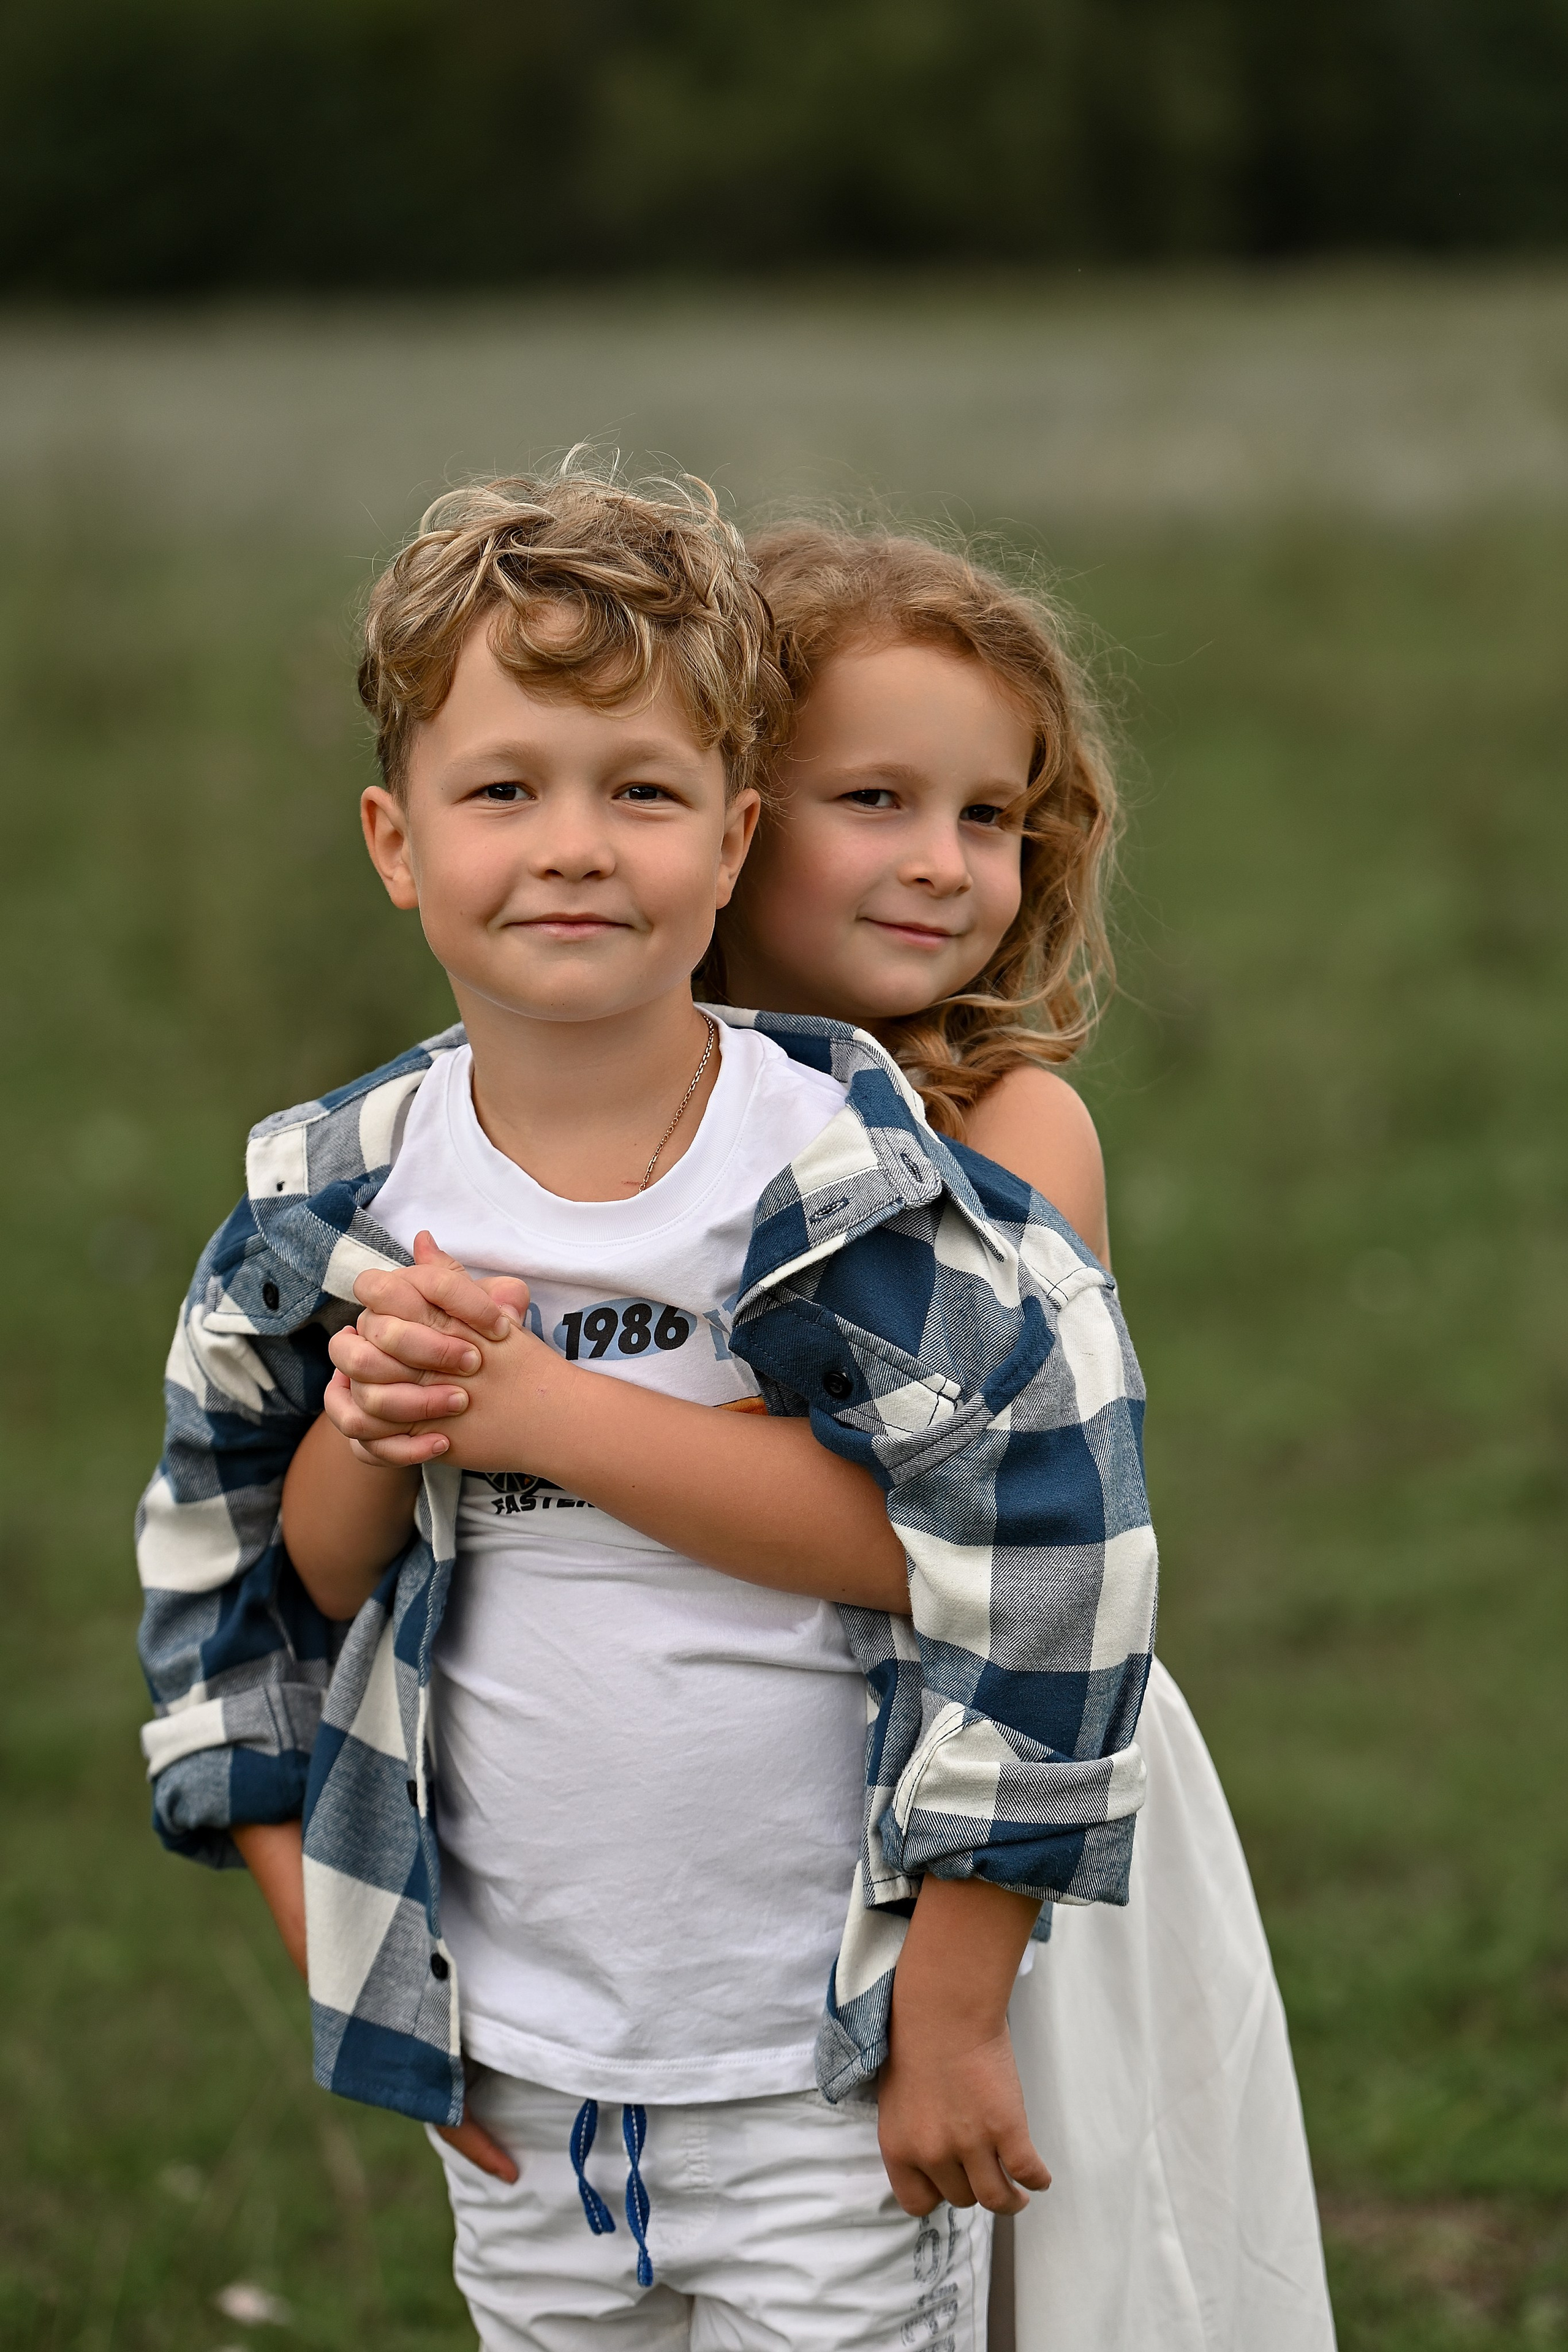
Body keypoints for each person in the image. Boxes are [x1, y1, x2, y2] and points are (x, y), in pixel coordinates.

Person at [134, 466, 1158, 2350]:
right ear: (395, 836)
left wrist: (941, 2015)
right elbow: (252, 1588)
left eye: (640, 793)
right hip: (521, 2055)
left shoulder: (876, 1178)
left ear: (723, 829)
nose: (576, 845)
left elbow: (1028, 1560)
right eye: (506, 790)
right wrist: (340, 1945)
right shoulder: (341, 1192)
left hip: (833, 2029)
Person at [352, 517, 1337, 2349]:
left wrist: (541, 1409)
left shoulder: (1007, 1131)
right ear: (732, 813)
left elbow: (936, 1545)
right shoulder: (596, 1112)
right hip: (660, 1889)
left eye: (991, 817)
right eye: (875, 799)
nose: (946, 865)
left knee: (1037, 2272)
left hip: (980, 1818)